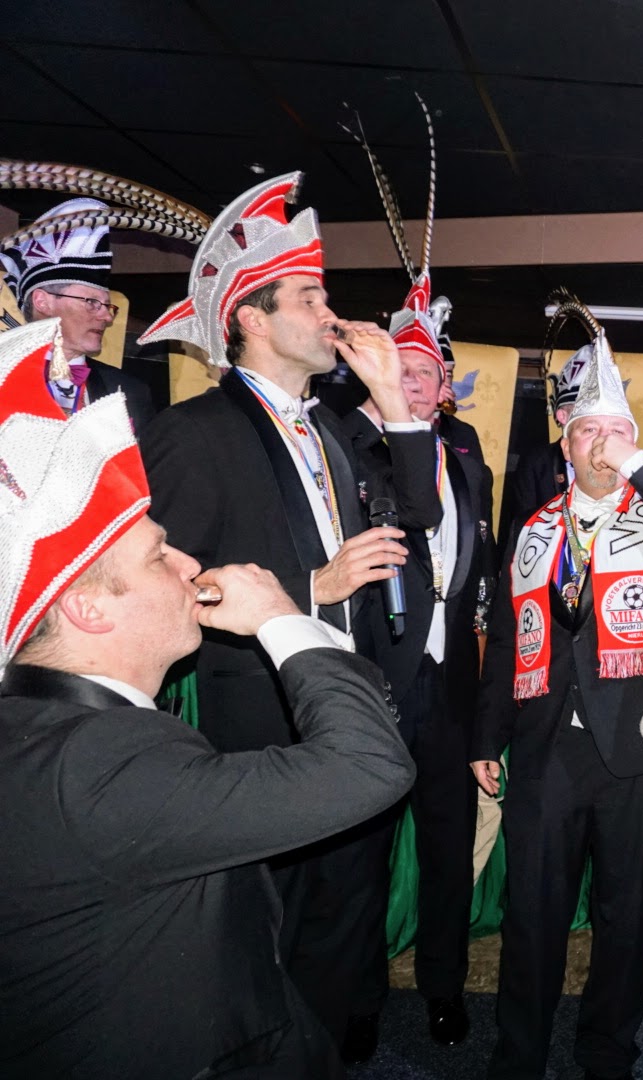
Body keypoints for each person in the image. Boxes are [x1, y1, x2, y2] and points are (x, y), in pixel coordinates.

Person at [0, 317, 416, 1079]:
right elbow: (369, 765)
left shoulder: (64, 733)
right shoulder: (98, 769)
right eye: (159, 554)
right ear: (87, 609)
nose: (190, 562)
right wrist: (285, 614)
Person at [136, 172, 441, 1057]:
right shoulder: (195, 431)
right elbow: (169, 582)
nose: (331, 314)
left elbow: (418, 516)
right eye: (310, 297)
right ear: (252, 319)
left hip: (348, 713)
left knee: (344, 929)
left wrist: (394, 405)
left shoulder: (332, 429)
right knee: (271, 941)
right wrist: (311, 591)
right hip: (264, 731)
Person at [471, 303, 643, 1080]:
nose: (600, 444)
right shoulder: (534, 528)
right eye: (587, 432)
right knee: (532, 917)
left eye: (615, 432)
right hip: (547, 751)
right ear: (566, 443)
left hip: (640, 754)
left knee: (627, 919)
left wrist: (639, 463)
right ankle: (520, 1056)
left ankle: (608, 1053)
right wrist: (487, 736)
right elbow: (507, 640)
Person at [341, 269, 494, 1050]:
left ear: (445, 389)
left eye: (426, 374)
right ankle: (358, 1001)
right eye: (399, 371)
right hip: (377, 686)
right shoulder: (347, 450)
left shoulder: (470, 464)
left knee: (447, 854)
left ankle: (444, 989)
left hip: (452, 693)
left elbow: (479, 579)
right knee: (363, 856)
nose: (413, 384)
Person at [0, 196, 155, 432]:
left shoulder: (129, 392)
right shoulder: (4, 377)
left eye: (108, 306)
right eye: (91, 302)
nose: (107, 317)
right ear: (43, 302)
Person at [501, 331, 588, 539]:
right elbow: (522, 526)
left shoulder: (622, 463)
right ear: (562, 416)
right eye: (584, 411)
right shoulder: (537, 464)